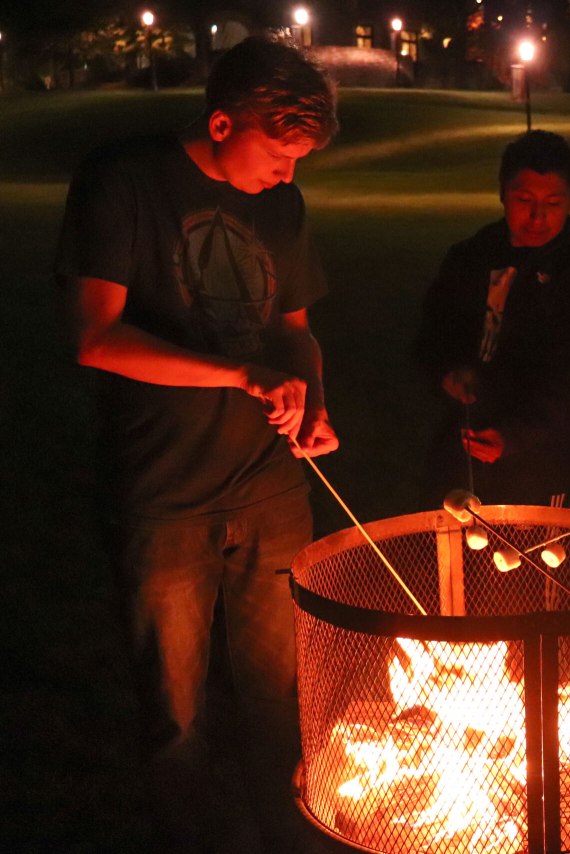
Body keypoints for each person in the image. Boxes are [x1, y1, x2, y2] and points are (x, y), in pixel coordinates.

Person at [54, 36, 339, 852]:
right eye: (279, 154)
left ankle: (291, 834)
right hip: (162, 492)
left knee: (284, 697)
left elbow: (295, 331)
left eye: (300, 160)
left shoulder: (280, 205)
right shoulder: (123, 181)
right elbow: (96, 338)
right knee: (177, 715)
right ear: (221, 122)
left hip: (269, 489)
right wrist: (239, 375)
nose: (288, 176)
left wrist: (312, 401)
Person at [415, 130, 570, 507]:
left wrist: (514, 436)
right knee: (446, 546)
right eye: (524, 199)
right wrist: (446, 371)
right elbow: (433, 332)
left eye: (553, 203)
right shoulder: (471, 257)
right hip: (462, 439)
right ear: (502, 193)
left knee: (528, 557)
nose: (538, 216)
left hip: (538, 455)